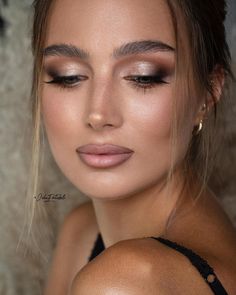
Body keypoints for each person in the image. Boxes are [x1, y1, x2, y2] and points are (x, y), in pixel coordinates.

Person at [27, 0, 236, 294]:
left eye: (142, 76)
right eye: (68, 76)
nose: (98, 115)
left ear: (208, 92)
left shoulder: (123, 283)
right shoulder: (83, 229)